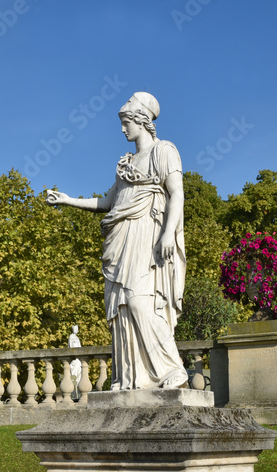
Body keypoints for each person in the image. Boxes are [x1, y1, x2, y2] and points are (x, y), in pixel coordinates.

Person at [46, 92, 188, 391]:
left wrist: (167, 234)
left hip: (147, 232)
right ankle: (132, 377)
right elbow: (110, 200)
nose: (123, 129)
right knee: (122, 306)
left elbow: (177, 193)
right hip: (121, 237)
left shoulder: (164, 151)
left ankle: (171, 370)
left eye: (126, 123)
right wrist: (69, 200)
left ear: (141, 121)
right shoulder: (126, 162)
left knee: (140, 302)